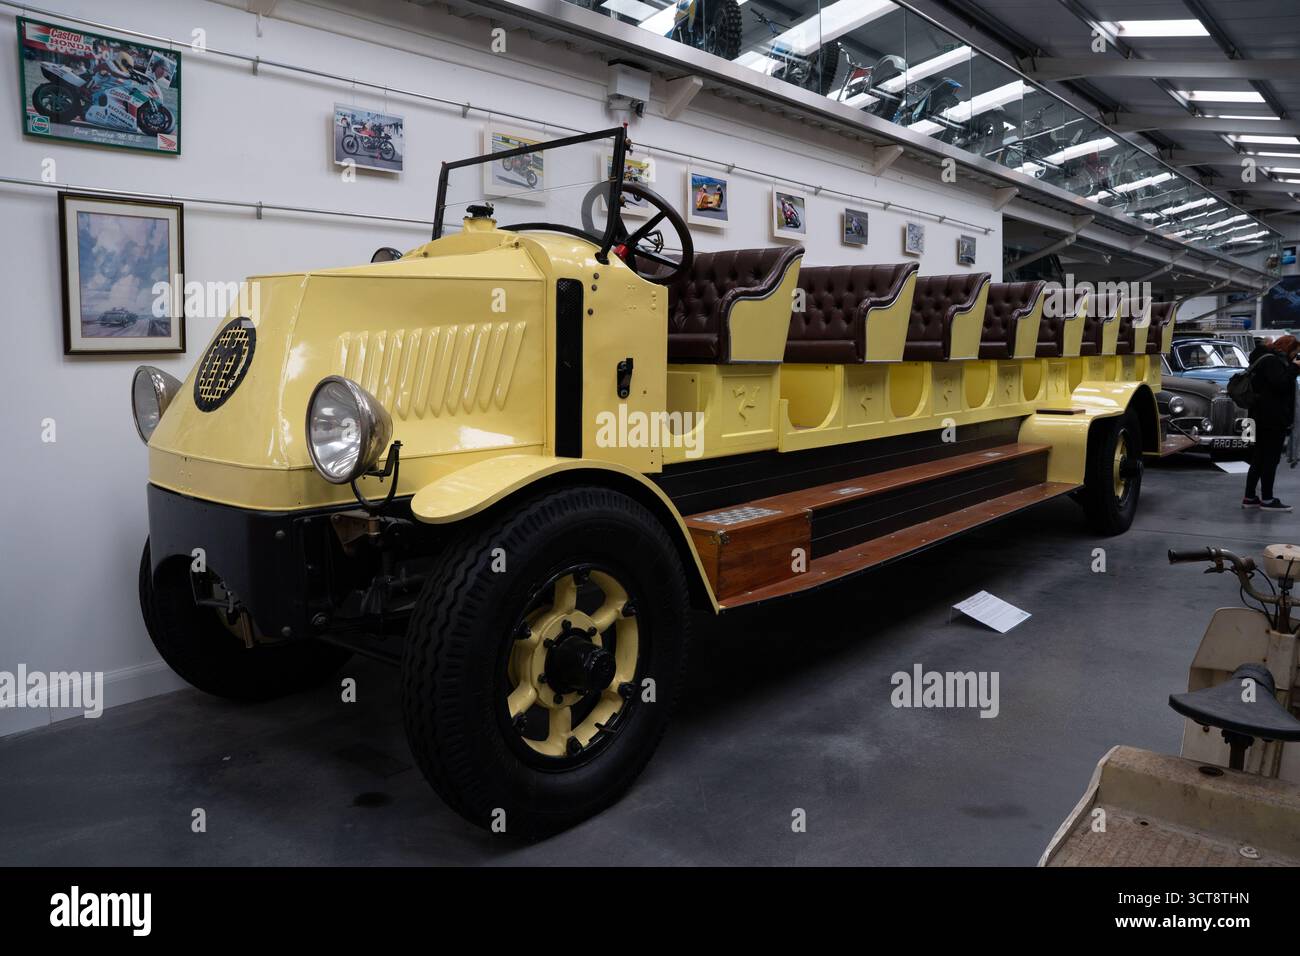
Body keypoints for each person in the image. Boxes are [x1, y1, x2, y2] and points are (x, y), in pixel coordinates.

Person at [1242, 333, 1300, 511]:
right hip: (1271, 419)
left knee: (1259, 459)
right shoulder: (1273, 362)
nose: (1295, 356)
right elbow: (1280, 384)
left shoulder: (1265, 359)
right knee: (1270, 460)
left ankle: (1250, 497)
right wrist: (1294, 368)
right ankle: (1267, 499)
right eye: (1295, 352)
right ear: (1287, 349)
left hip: (1260, 417)